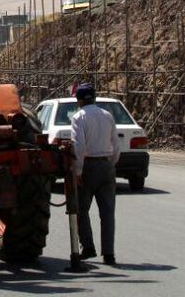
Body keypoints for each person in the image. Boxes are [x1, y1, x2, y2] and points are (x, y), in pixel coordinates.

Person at [70, 84, 119, 266]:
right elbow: (116, 144)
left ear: (79, 100)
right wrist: (111, 163)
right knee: (107, 212)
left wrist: (79, 170)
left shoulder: (79, 117)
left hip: (89, 165)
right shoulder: (107, 115)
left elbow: (79, 146)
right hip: (106, 165)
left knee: (82, 209)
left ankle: (88, 247)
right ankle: (109, 253)